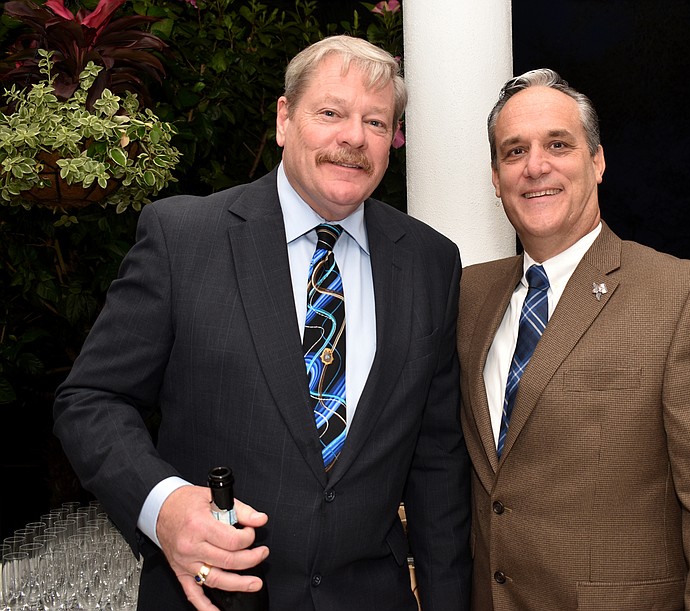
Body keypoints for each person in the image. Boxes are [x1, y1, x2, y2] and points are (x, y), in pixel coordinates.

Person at [53, 35, 471, 611]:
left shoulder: (430, 262)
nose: (354, 137)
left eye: (376, 122)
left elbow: (437, 462)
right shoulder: (185, 239)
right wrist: (164, 505)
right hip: (214, 597)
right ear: (283, 119)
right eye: (331, 113)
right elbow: (91, 399)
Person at [457, 68, 690, 611]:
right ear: (495, 176)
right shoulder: (468, 296)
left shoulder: (682, 296)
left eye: (558, 144)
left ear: (597, 161)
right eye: (514, 152)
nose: (536, 166)